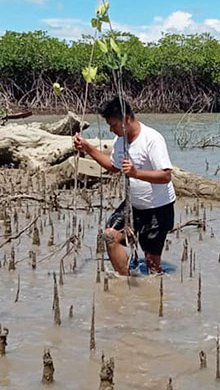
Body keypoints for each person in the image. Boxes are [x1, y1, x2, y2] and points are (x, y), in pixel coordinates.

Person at [73, 96, 176, 276]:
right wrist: (88, 149)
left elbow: (166, 175)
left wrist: (136, 173)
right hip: (132, 206)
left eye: (113, 125)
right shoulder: (120, 141)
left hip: (158, 209)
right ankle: (125, 283)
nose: (111, 130)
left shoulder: (152, 139)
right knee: (109, 236)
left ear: (126, 119)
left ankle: (152, 293)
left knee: (152, 266)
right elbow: (114, 167)